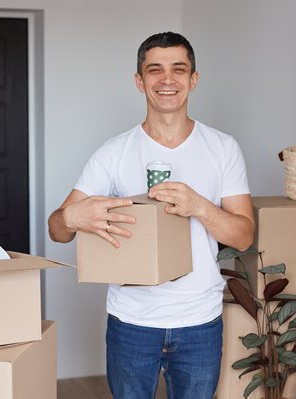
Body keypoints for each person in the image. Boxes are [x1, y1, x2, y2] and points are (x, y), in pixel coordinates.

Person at [48, 31, 255, 399]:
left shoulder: (222, 148)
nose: (167, 80)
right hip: (132, 322)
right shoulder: (113, 153)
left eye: (178, 69)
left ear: (193, 79)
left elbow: (243, 236)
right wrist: (72, 218)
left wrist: (199, 206)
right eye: (154, 69)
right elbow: (57, 230)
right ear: (139, 81)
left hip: (199, 322)